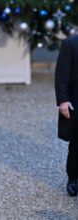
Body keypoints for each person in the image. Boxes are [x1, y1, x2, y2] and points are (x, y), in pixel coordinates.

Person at [55, 35, 78, 197]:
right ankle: (73, 178)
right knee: (77, 143)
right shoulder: (70, 44)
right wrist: (63, 100)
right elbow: (62, 74)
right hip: (77, 100)